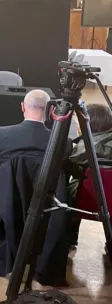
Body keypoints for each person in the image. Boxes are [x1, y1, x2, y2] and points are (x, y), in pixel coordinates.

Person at [64, 104, 112, 246]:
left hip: (86, 199)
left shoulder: (81, 149)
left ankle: (70, 236)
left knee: (63, 193)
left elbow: (71, 169)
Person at [0, 89, 51, 174]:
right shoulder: (62, 142)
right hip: (45, 188)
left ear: (22, 107)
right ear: (50, 110)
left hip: (5, 187)